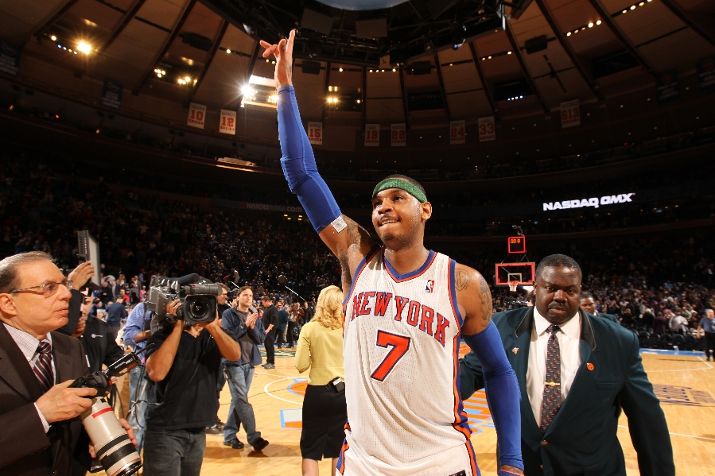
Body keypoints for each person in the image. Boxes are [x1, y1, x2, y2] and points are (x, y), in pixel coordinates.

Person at [261, 30, 522, 475]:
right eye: (378, 202)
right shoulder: (355, 255)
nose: (384, 206)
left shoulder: (464, 283)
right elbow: (302, 176)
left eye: (397, 198)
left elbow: (499, 372)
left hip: (443, 463)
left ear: (425, 209)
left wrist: (512, 463)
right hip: (364, 465)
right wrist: (285, 88)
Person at [460, 254, 675, 476]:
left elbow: (648, 423)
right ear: (535, 288)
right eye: (551, 288)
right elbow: (468, 374)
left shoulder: (617, 340)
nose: (560, 296)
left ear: (579, 291)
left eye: (570, 290)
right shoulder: (502, 327)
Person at [0, 252, 99, 475]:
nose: (67, 294)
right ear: (8, 303)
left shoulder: (72, 347)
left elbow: (71, 427)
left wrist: (99, 431)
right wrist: (40, 414)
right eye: (48, 287)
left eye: (64, 284)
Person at [142, 296, 241, 476]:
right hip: (165, 432)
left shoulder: (213, 337)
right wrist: (179, 324)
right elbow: (156, 372)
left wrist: (212, 326)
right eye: (193, 306)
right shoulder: (164, 335)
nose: (198, 310)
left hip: (198, 431)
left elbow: (234, 355)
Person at [295, 285, 347, 476]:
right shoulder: (347, 328)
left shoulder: (309, 329)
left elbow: (300, 365)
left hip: (317, 393)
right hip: (344, 393)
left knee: (310, 451)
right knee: (338, 449)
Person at [221, 285, 270, 451]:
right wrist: (244, 326)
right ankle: (254, 437)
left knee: (239, 400)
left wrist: (252, 327)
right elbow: (227, 337)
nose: (249, 298)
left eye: (250, 295)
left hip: (249, 363)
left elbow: (260, 339)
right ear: (238, 297)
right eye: (245, 295)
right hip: (233, 363)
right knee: (241, 399)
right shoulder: (229, 314)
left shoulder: (254, 315)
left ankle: (229, 435)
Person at [122, 299, 155, 452]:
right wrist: (151, 332)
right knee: (137, 417)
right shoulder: (143, 307)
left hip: (169, 371)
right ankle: (133, 461)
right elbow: (128, 337)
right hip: (142, 367)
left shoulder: (181, 309)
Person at [261, 295, 279, 369]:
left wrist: (267, 330)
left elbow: (273, 321)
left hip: (270, 331)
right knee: (267, 346)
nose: (262, 304)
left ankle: (271, 363)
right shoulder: (267, 309)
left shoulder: (273, 309)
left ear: (267, 301)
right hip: (266, 331)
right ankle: (268, 361)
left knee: (270, 346)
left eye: (263, 302)